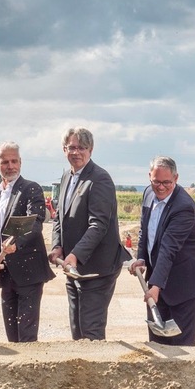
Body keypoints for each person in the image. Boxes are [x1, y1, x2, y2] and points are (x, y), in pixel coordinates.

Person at [48, 127, 129, 340]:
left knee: (91, 332)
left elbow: (99, 225)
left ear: (90, 150)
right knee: (77, 330)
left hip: (97, 269)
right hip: (73, 268)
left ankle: (97, 371)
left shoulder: (99, 179)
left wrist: (75, 254)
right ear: (64, 149)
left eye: (81, 148)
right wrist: (57, 245)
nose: (76, 152)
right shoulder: (67, 176)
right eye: (72, 148)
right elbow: (59, 218)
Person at [129, 156, 195, 346]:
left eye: (167, 182)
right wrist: (141, 258)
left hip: (183, 286)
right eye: (156, 181)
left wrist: (155, 286)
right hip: (157, 280)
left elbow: (168, 247)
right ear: (150, 177)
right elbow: (144, 231)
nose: (161, 187)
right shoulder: (148, 193)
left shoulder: (184, 207)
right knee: (157, 345)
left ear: (176, 178)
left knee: (181, 348)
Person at [0, 142, 55, 342]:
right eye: (5, 162)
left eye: (14, 161)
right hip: (7, 275)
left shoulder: (31, 189)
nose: (10, 166)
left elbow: (35, 222)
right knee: (11, 334)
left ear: (21, 163)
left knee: (27, 335)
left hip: (29, 274)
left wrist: (17, 244)